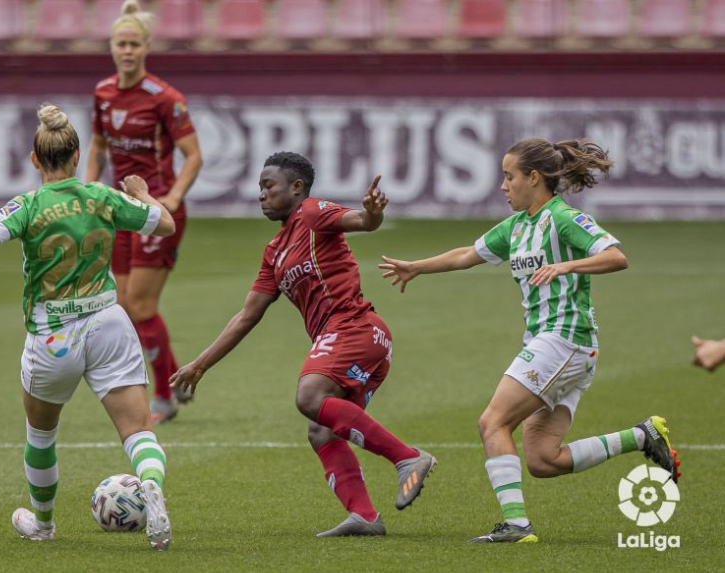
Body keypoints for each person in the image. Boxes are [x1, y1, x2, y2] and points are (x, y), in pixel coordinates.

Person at [0, 104, 176, 551]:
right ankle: (151, 485)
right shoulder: (103, 197)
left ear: (34, 159)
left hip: (54, 335)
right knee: (138, 430)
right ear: (78, 155)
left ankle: (43, 522)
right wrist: (143, 194)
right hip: (108, 323)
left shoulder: (27, 206)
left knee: (41, 433)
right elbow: (165, 223)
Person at [380, 138, 680, 543]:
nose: (503, 186)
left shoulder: (563, 218)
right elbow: (468, 253)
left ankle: (516, 526)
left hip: (564, 340)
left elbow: (615, 256)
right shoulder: (517, 227)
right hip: (561, 347)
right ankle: (642, 436)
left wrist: (565, 265)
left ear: (534, 177)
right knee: (543, 459)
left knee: (493, 422)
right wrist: (416, 266)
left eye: (509, 176)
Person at [170, 151, 436, 537]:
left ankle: (408, 458)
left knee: (309, 395)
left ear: (296, 188)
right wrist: (199, 364)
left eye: (268, 186)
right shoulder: (274, 252)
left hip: (354, 327)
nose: (261, 194)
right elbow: (247, 315)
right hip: (359, 339)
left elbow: (362, 221)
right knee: (321, 431)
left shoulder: (312, 213)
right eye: (259, 187)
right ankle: (364, 516)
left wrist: (373, 213)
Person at [86, 0, 203, 424]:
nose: (128, 51)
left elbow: (193, 156)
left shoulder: (165, 98)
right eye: (122, 44)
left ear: (147, 46)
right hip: (118, 211)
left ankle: (166, 397)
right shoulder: (102, 93)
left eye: (135, 44)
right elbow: (98, 147)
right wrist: (89, 187)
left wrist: (172, 196)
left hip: (156, 213)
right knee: (122, 302)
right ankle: (174, 380)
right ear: (112, 47)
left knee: (139, 303)